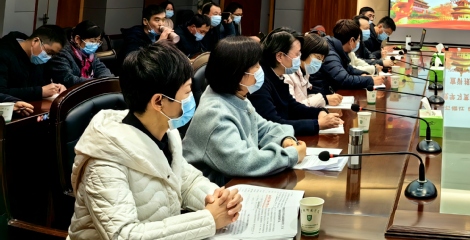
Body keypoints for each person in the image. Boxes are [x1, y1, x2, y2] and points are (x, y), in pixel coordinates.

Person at [67, 43, 242, 240]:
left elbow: (187, 181)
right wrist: (209, 220)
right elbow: (123, 235)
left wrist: (219, 199)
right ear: (159, 101)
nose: (192, 98)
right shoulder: (104, 161)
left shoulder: (165, 132)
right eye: (187, 92)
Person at [183, 36, 304, 186]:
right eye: (256, 66)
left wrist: (285, 139)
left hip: (236, 184)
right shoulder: (214, 113)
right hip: (216, 190)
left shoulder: (237, 96)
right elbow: (242, 162)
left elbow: (263, 128)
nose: (260, 70)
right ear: (238, 73)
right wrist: (290, 155)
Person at [249, 30, 342, 135]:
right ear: (280, 56)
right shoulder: (260, 82)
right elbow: (274, 124)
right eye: (297, 54)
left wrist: (319, 112)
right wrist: (317, 124)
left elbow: (293, 107)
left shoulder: (277, 76)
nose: (300, 57)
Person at [310, 19, 382, 92]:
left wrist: (363, 74)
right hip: (320, 94)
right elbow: (343, 79)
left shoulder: (337, 49)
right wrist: (370, 80)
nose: (358, 43)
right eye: (357, 40)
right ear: (351, 41)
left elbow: (348, 68)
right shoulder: (329, 52)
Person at [0, 25, 66, 101]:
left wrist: (56, 88)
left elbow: (43, 84)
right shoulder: (3, 53)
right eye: (49, 52)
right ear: (35, 41)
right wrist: (40, 91)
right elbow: (1, 93)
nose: (49, 57)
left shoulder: (36, 58)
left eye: (53, 54)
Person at [284, 33, 343, 108]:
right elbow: (292, 107)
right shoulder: (288, 74)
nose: (319, 63)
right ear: (306, 52)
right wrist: (324, 99)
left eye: (322, 60)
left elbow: (303, 99)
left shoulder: (305, 73)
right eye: (318, 58)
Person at [49, 21, 114, 88]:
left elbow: (101, 68)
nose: (96, 45)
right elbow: (68, 79)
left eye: (98, 41)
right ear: (77, 39)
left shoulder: (90, 54)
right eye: (92, 41)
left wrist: (105, 80)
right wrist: (96, 83)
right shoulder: (62, 54)